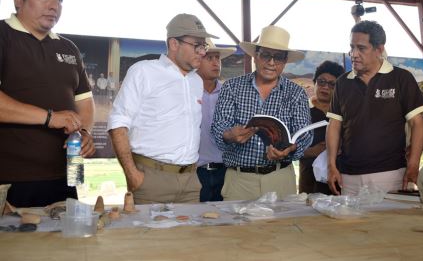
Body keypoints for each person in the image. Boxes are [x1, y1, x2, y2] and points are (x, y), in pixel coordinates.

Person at [0, 0, 95, 207]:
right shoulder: (3, 36)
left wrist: (84, 133)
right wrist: (49, 117)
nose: (54, 6)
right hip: (14, 179)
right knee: (17, 245)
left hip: (70, 174)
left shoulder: (68, 48)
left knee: (69, 243)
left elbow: (84, 103)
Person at [107, 13, 218, 204]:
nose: (202, 52)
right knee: (150, 235)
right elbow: (118, 123)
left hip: (190, 181)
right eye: (197, 46)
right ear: (174, 44)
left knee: (189, 234)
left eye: (204, 46)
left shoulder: (196, 81)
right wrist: (133, 175)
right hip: (151, 180)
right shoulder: (144, 71)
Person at [211, 25, 313, 201]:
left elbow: (304, 134)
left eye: (278, 57)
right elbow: (219, 126)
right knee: (238, 228)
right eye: (266, 55)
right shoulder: (232, 87)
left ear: (285, 60)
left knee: (279, 228)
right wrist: (229, 134)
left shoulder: (296, 93)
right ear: (255, 55)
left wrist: (289, 149)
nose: (271, 62)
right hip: (239, 180)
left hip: (280, 178)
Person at [326, 21, 423, 196]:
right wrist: (331, 165)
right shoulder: (342, 83)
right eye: (352, 47)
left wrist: (413, 164)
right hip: (348, 177)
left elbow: (417, 123)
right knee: (350, 224)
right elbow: (334, 125)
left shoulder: (401, 78)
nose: (354, 54)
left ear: (379, 50)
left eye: (361, 48)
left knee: (388, 224)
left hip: (390, 174)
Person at [196, 39, 236, 202]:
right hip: (195, 172)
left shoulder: (230, 93)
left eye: (217, 58)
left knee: (226, 224)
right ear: (197, 60)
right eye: (209, 58)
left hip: (227, 171)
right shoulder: (188, 92)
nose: (215, 63)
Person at [299, 60, 345, 194]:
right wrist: (310, 151)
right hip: (309, 181)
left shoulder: (344, 114)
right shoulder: (302, 111)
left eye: (332, 84)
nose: (325, 87)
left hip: (339, 180)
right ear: (314, 83)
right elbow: (288, 149)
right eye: (321, 81)